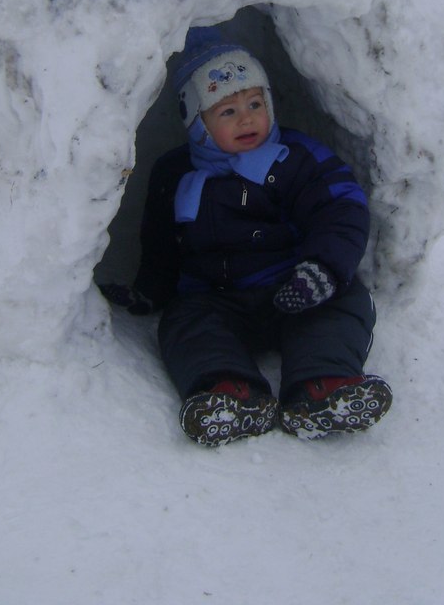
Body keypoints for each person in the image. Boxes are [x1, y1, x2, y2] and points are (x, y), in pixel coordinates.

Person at [99, 27, 392, 446]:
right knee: (185, 325)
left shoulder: (296, 156)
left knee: (343, 302)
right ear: (197, 123)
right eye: (227, 111)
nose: (248, 117)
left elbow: (340, 209)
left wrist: (324, 267)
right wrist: (151, 291)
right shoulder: (175, 173)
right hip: (215, 298)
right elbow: (161, 243)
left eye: (255, 103)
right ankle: (229, 392)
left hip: (294, 286)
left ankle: (322, 386)